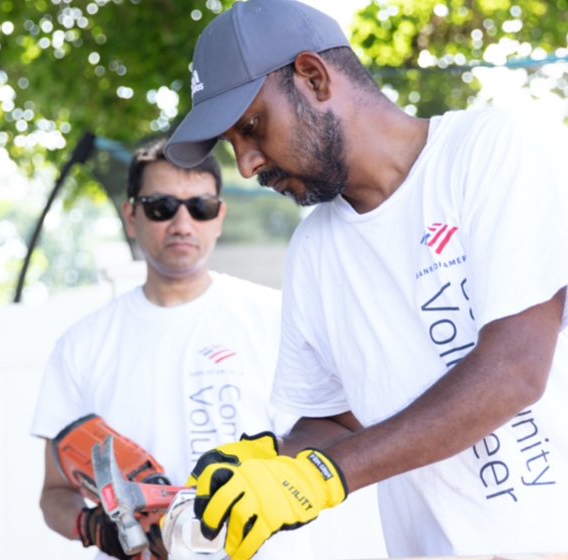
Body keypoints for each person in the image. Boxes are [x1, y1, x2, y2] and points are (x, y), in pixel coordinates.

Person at [164, 1, 568, 559]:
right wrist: (272, 459)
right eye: (234, 145)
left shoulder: (486, 151)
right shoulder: (312, 254)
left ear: (313, 76)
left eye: (251, 127)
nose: (247, 165)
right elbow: (336, 418)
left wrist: (323, 476)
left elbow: (516, 370)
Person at [30, 136, 316, 559]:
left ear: (219, 216)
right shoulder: (82, 345)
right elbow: (54, 493)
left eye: (200, 207)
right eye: (161, 206)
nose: (182, 223)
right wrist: (93, 528)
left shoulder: (276, 319)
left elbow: (314, 452)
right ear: (131, 216)